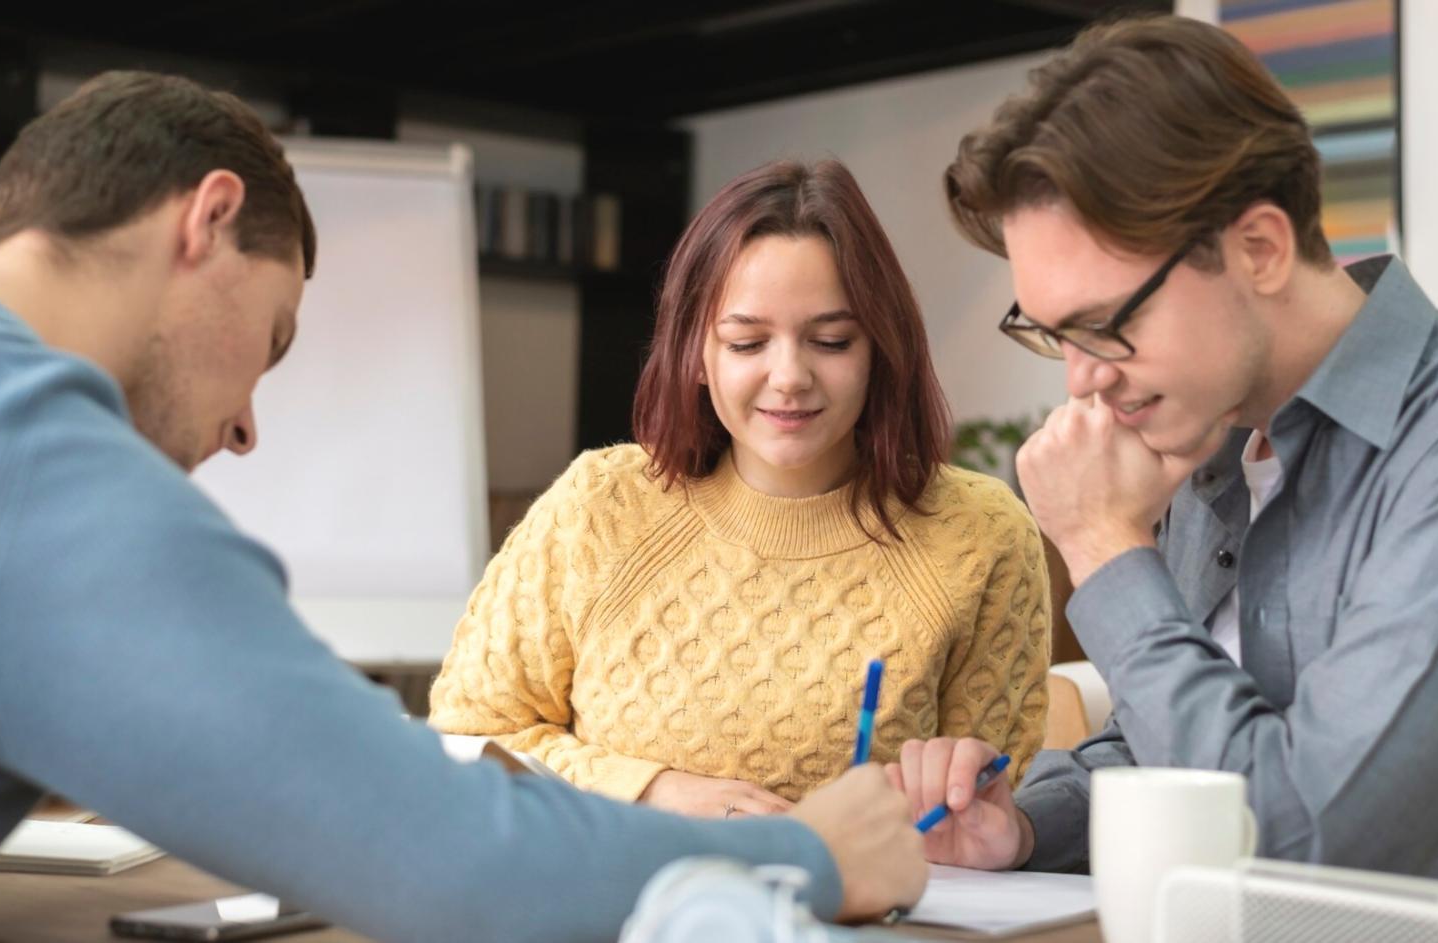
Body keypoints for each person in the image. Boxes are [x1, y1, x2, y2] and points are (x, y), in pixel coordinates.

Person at [0, 71, 929, 942]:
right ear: (207, 220)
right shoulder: (36, 476)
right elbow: (448, 861)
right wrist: (808, 853)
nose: (244, 427)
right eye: (271, 341)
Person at [901, 14, 1438, 902]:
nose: (1080, 379)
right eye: (1051, 333)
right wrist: (1031, 825)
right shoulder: (1208, 430)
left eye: (1103, 324)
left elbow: (1320, 850)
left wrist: (1104, 547)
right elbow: (1177, 741)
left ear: (1259, 249)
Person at [429, 159, 1052, 829]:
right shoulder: (598, 507)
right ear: (696, 353)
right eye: (747, 342)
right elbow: (466, 738)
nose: (788, 377)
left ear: (880, 348)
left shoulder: (978, 533)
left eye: (831, 340)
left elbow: (992, 811)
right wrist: (649, 789)